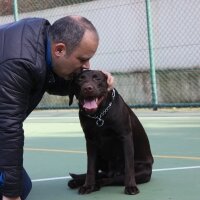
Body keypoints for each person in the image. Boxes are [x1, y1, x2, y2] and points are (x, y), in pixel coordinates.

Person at [0, 15, 114, 200]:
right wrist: (10, 195)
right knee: (12, 189)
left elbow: (51, 80)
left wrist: (96, 83)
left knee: (21, 184)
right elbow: (7, 127)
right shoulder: (19, 62)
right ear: (59, 50)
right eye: (83, 59)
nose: (87, 66)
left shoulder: (41, 39)